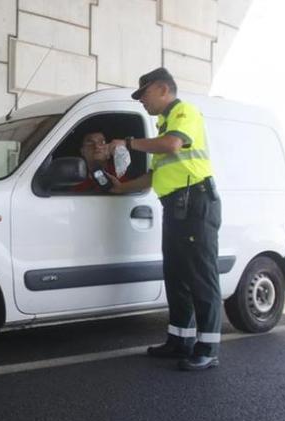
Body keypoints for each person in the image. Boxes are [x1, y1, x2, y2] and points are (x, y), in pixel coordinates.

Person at [106, 67, 222, 371]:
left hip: (196, 203)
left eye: (143, 95)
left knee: (200, 275)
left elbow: (172, 145)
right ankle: (180, 340)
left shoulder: (185, 113)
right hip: (177, 206)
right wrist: (122, 188)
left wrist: (127, 143)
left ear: (161, 89)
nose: (141, 102)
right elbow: (154, 175)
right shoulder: (163, 125)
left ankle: (207, 347)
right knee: (177, 273)